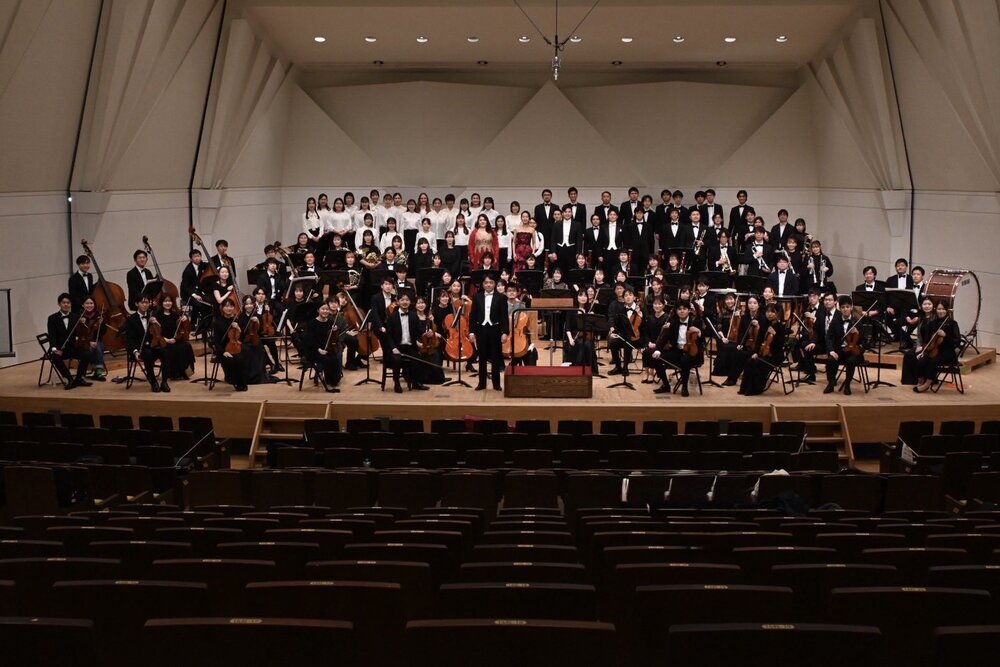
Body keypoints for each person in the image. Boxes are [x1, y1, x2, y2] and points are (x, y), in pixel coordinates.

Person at [650, 300, 702, 396]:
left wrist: (699, 332)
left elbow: (703, 340)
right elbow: (664, 338)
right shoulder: (673, 322)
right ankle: (666, 385)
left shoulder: (695, 322)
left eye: (684, 309)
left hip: (692, 352)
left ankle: (685, 387)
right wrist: (658, 350)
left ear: (689, 310)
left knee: (685, 361)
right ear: (676, 311)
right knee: (656, 358)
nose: (682, 311)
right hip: (677, 351)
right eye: (679, 309)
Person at [469, 273, 508, 391]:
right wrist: (472, 332)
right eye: (486, 283)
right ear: (482, 284)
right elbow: (473, 315)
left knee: (496, 357)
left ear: (495, 284)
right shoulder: (477, 297)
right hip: (481, 329)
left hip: (495, 329)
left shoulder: (501, 297)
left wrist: (505, 332)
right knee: (482, 357)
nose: (488, 285)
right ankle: (482, 383)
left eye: (491, 282)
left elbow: (504, 316)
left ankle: (496, 383)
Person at [738, 304, 787, 395]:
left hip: (775, 354)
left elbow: (780, 344)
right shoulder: (764, 323)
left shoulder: (780, 326)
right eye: (767, 312)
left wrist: (775, 335)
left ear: (778, 313)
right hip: (763, 352)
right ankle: (744, 389)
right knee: (749, 361)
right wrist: (756, 352)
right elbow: (759, 340)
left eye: (772, 312)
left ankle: (755, 389)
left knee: (757, 363)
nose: (769, 314)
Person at [385, 291, 429, 393]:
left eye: (407, 300)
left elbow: (419, 331)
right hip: (397, 347)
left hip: (410, 346)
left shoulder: (414, 316)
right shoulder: (392, 317)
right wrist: (393, 348)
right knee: (396, 360)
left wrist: (426, 333)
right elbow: (388, 336)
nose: (405, 302)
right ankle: (397, 383)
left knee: (419, 357)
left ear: (410, 302)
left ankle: (416, 382)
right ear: (398, 302)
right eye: (402, 300)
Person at [125, 295, 170, 392]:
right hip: (140, 349)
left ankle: (164, 382)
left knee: (165, 352)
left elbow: (160, 332)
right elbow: (130, 339)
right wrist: (135, 351)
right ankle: (153, 382)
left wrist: (157, 323)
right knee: (148, 353)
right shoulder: (131, 319)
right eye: (142, 302)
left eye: (147, 302)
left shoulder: (153, 316)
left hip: (153, 346)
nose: (145, 305)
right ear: (137, 304)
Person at [46, 293, 92, 389]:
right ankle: (70, 379)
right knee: (55, 357)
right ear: (59, 304)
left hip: (72, 347)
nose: (66, 304)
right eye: (64, 302)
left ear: (71, 304)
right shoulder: (52, 318)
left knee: (87, 353)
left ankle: (79, 378)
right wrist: (54, 349)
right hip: (59, 348)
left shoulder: (76, 317)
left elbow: (80, 334)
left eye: (68, 303)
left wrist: (82, 324)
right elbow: (52, 336)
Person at [824, 296, 864, 395]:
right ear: (839, 308)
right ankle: (831, 383)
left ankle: (847, 385)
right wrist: (831, 351)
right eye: (843, 307)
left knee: (851, 361)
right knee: (830, 360)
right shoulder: (835, 321)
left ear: (851, 307)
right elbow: (828, 337)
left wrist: (858, 334)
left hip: (854, 351)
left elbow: (865, 341)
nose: (845, 309)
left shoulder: (857, 321)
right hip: (840, 349)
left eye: (847, 307)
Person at [301, 302, 342, 392]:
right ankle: (327, 382)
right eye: (323, 309)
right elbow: (310, 340)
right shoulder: (312, 323)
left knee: (335, 358)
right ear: (318, 310)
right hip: (313, 350)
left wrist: (335, 331)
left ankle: (333, 381)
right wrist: (318, 349)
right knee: (327, 360)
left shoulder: (330, 323)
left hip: (326, 349)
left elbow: (334, 338)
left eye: (327, 309)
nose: (325, 311)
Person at [156, 294, 195, 381]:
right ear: (161, 302)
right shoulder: (157, 315)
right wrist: (166, 339)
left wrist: (185, 320)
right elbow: (156, 332)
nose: (168, 303)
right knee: (173, 349)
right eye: (165, 301)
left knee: (186, 346)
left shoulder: (176, 314)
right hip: (163, 340)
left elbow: (181, 330)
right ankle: (174, 372)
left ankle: (183, 370)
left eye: (169, 301)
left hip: (174, 339)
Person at [212, 298, 248, 392]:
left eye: (231, 306)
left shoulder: (236, 320)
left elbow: (242, 338)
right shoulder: (218, 322)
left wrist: (238, 328)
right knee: (230, 360)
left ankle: (242, 382)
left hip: (235, 347)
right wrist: (223, 352)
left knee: (240, 358)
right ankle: (233, 380)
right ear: (222, 308)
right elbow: (216, 341)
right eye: (226, 306)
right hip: (223, 349)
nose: (229, 308)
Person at [608, 286, 642, 379]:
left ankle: (625, 367)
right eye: (626, 295)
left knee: (627, 343)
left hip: (637, 337)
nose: (628, 297)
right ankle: (618, 366)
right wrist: (614, 332)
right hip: (624, 335)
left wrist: (640, 315)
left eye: (630, 295)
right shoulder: (621, 309)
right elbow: (617, 324)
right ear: (623, 298)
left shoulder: (641, 309)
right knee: (613, 343)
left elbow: (645, 326)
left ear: (634, 297)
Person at [414, 295, 446, 384]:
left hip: (427, 342)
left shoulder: (428, 317)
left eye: (423, 303)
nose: (421, 305)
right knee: (433, 354)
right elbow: (412, 332)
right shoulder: (413, 316)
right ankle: (425, 377)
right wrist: (417, 343)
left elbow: (433, 329)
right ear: (415, 305)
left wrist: (432, 322)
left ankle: (436, 376)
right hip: (417, 342)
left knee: (438, 347)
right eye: (419, 303)